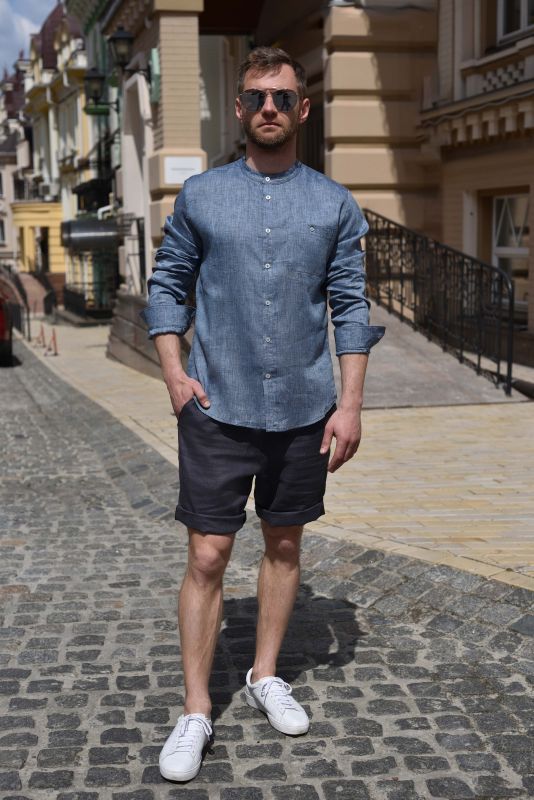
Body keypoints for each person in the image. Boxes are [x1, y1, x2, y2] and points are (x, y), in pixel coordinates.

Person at [141, 46, 385, 782]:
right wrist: (175, 375)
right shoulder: (202, 196)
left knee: (283, 544)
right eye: (255, 97)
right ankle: (195, 709)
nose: (268, 108)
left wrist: (350, 405)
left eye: (281, 97)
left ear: (303, 108)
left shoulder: (334, 204)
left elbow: (350, 306)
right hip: (217, 406)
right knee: (207, 555)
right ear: (241, 108)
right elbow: (167, 285)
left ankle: (264, 674)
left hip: (305, 410)